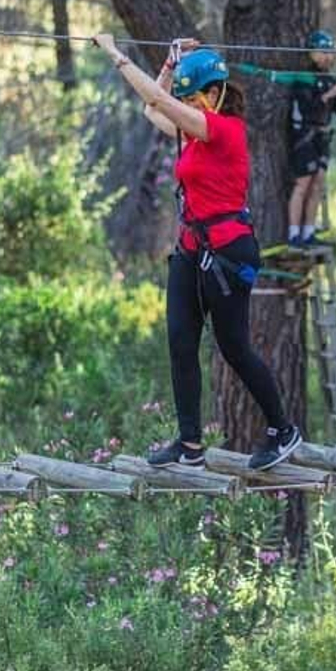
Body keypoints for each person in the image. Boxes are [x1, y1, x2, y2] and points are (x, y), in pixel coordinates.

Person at [92, 32, 302, 471]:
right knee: (180, 341)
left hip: (228, 252)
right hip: (191, 250)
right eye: (187, 98)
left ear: (216, 93)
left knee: (234, 348)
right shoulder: (193, 132)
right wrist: (169, 66)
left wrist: (114, 52)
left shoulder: (223, 130)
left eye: (196, 96)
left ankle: (283, 429)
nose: (190, 103)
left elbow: (160, 103)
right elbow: (154, 106)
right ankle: (190, 446)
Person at [237, 30, 336, 249]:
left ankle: (308, 232)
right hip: (304, 136)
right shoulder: (303, 78)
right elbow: (309, 107)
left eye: (330, 52)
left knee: (318, 184)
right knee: (303, 184)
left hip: (322, 137)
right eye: (322, 52)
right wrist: (331, 93)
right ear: (311, 53)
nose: (327, 57)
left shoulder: (328, 79)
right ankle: (294, 235)